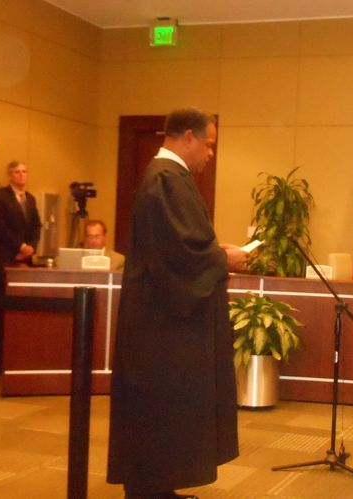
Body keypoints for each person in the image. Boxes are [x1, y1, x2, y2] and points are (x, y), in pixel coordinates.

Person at [107, 108, 248, 499]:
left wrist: (214, 254)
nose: (211, 153)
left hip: (161, 319)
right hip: (160, 325)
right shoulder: (166, 178)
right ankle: (150, 491)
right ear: (188, 136)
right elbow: (179, 253)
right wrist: (223, 259)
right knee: (158, 406)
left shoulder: (167, 177)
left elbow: (177, 246)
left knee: (164, 408)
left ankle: (158, 487)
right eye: (209, 144)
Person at [0, 160, 41, 374]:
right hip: (1, 261)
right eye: (17, 172)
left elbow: (36, 226)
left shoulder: (30, 199)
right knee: (0, 312)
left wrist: (31, 247)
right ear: (10, 175)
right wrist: (20, 246)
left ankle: (18, 357)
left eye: (25, 171)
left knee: (20, 311)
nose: (22, 175)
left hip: (23, 261)